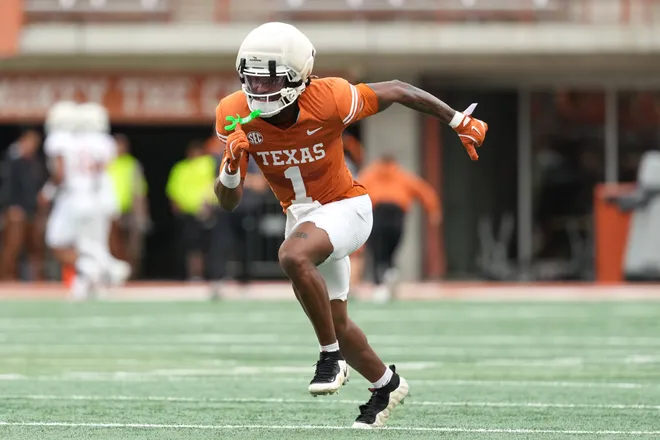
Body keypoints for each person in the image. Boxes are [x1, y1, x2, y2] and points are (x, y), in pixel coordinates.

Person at [214, 22, 488, 428]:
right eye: (251, 76)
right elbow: (228, 201)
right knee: (338, 322)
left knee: (291, 255)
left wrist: (455, 121)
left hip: (347, 208)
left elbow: (397, 88)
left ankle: (329, 357)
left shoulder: (330, 98)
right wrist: (233, 166)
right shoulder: (234, 112)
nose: (258, 86)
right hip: (304, 218)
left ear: (297, 75)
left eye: (269, 76)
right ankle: (385, 384)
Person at [43, 101, 130, 300]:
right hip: (97, 196)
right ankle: (93, 279)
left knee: (61, 240)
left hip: (73, 197)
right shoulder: (102, 142)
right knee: (92, 242)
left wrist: (48, 192)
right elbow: (101, 170)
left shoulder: (62, 139)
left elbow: (61, 172)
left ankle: (104, 267)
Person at [356, 153, 441, 303]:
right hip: (396, 215)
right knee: (389, 250)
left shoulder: (370, 174)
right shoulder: (402, 175)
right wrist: (433, 210)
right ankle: (388, 274)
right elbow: (424, 191)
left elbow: (353, 190)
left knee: (377, 251)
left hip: (378, 214)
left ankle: (381, 283)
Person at [166, 140, 216, 281]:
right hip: (187, 213)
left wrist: (211, 205)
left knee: (208, 244)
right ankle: (195, 274)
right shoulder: (181, 168)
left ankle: (210, 273)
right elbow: (173, 189)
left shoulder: (210, 164)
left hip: (207, 211)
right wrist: (176, 207)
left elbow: (215, 183)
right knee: (191, 246)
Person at [0, 130, 46, 280]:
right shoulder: (11, 160)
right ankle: (7, 278)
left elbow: (39, 184)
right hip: (15, 211)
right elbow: (7, 187)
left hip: (32, 210)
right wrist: (11, 205)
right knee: (12, 247)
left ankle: (37, 280)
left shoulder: (34, 162)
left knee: (35, 247)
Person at [108, 134, 150, 279]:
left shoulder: (132, 164)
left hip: (129, 211)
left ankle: (132, 277)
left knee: (133, 247)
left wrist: (142, 214)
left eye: (122, 145)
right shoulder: (106, 162)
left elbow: (139, 190)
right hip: (110, 211)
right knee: (112, 245)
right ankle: (114, 276)